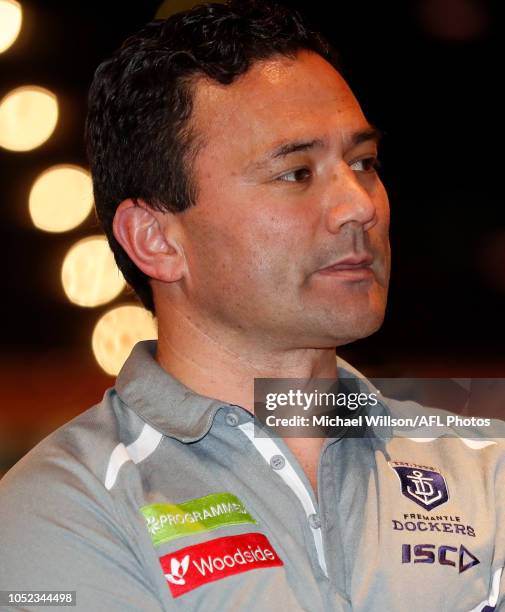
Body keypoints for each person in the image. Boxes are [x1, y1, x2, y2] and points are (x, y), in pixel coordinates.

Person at [0, 1, 504, 610]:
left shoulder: (487, 468)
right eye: (295, 173)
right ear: (156, 240)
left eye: (363, 163)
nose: (360, 205)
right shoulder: (62, 508)